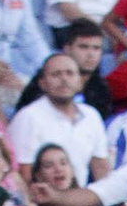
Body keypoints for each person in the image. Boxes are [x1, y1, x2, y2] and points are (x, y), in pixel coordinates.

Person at [7, 54, 109, 186]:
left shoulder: (91, 115)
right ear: (42, 83)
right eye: (56, 74)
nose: (64, 79)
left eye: (70, 73)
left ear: (80, 82)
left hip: (79, 200)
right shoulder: (28, 117)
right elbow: (24, 174)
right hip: (42, 202)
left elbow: (100, 166)